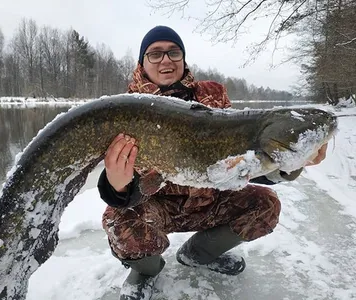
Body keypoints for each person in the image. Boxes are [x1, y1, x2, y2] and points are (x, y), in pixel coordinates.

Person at [97, 25, 328, 300]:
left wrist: (290, 164)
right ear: (141, 63)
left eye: (173, 52)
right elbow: (123, 187)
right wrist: (117, 185)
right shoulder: (126, 109)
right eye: (155, 54)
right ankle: (146, 271)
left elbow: (243, 162)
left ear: (183, 58)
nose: (166, 59)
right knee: (117, 219)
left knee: (265, 205)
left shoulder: (212, 95)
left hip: (210, 200)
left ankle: (197, 255)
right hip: (156, 206)